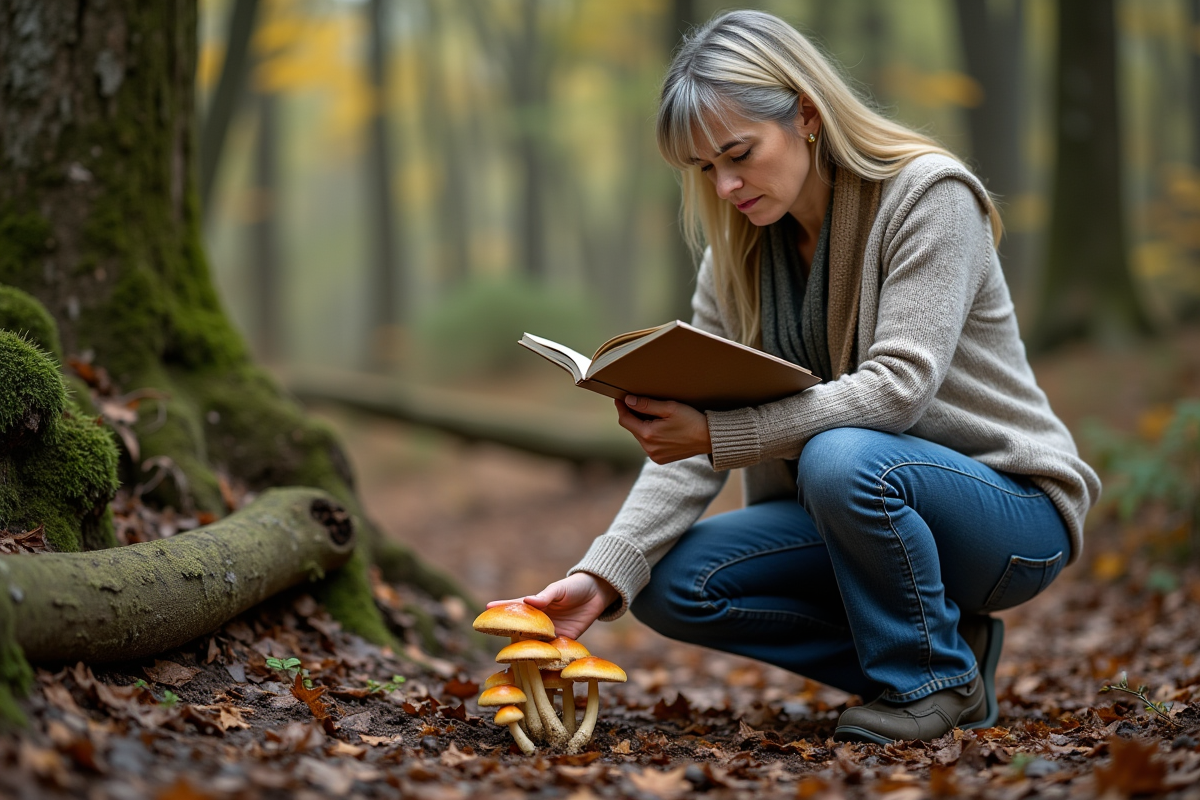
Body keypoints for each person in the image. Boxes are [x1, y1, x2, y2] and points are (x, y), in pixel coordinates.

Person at [489, 9, 1100, 744]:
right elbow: (694, 449)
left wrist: (722, 433)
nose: (724, 186)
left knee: (840, 455)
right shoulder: (735, 257)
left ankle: (925, 683)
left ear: (806, 115)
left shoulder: (929, 197)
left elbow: (898, 388)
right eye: (705, 168)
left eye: (738, 153)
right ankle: (951, 660)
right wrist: (603, 574)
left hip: (1008, 517)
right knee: (669, 585)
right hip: (857, 514)